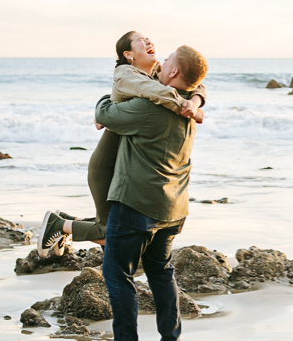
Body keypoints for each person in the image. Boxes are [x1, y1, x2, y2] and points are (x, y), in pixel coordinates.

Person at [82, 42, 208, 341]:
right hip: (174, 207)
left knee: (117, 274)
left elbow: (104, 115)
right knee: (161, 273)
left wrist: (104, 99)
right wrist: (196, 99)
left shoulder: (148, 107)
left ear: (174, 71)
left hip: (136, 203)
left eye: (166, 60)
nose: (161, 60)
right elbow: (199, 86)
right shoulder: (187, 109)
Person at [37, 31, 205, 257]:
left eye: (148, 38)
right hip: (107, 164)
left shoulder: (154, 76)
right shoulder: (127, 74)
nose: (148, 41)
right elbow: (159, 95)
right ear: (128, 54)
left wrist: (195, 100)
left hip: (125, 165)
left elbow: (196, 83)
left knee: (115, 228)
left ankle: (65, 222)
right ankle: (58, 226)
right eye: (140, 41)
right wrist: (187, 106)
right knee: (111, 232)